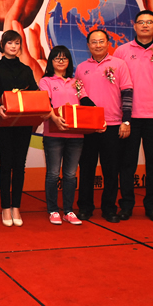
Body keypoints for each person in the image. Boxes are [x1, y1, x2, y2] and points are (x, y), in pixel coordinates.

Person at [114, 10, 153, 222]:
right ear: (134, 26)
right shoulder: (122, 51)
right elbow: (115, 82)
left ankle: (152, 206)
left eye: (149, 22)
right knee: (127, 163)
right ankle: (126, 205)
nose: (144, 25)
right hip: (128, 117)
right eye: (141, 22)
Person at [75, 29, 133, 223]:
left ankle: (109, 208)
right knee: (86, 169)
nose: (98, 45)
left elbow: (127, 93)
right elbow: (79, 93)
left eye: (101, 41)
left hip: (113, 125)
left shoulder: (120, 64)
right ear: (88, 45)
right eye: (94, 42)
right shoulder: (81, 68)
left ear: (108, 43)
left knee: (111, 170)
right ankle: (85, 207)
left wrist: (126, 121)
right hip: (88, 127)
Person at [39, 46, 100, 226]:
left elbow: (86, 102)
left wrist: (99, 119)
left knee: (71, 174)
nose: (61, 61)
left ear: (69, 61)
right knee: (52, 174)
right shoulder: (46, 81)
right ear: (51, 61)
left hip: (75, 135)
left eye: (64, 58)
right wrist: (55, 119)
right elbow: (45, 104)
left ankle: (68, 210)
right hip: (53, 133)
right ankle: (52, 210)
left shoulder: (76, 82)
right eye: (57, 58)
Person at [0, 30, 38, 227]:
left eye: (17, 43)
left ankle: (16, 206)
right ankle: (5, 207)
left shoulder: (26, 69)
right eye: (10, 43)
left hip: (24, 124)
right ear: (3, 45)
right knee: (6, 165)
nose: (13, 46)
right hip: (5, 123)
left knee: (20, 166)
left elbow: (34, 92)